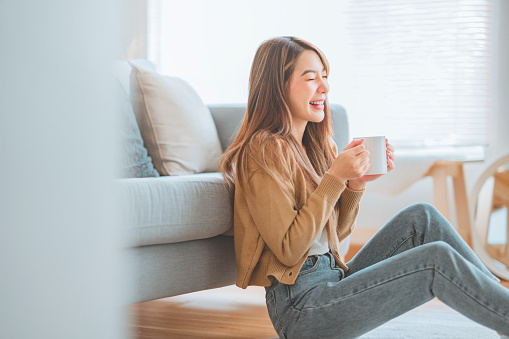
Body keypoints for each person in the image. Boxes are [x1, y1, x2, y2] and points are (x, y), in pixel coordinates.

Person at [219, 36, 509, 339]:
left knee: (422, 217)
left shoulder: (314, 147)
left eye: (325, 77)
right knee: (435, 259)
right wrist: (335, 179)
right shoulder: (262, 150)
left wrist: (354, 185)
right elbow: (290, 249)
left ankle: (501, 309)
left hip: (333, 279)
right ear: (278, 86)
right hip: (302, 308)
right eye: (311, 78)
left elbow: (335, 237)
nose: (325, 88)